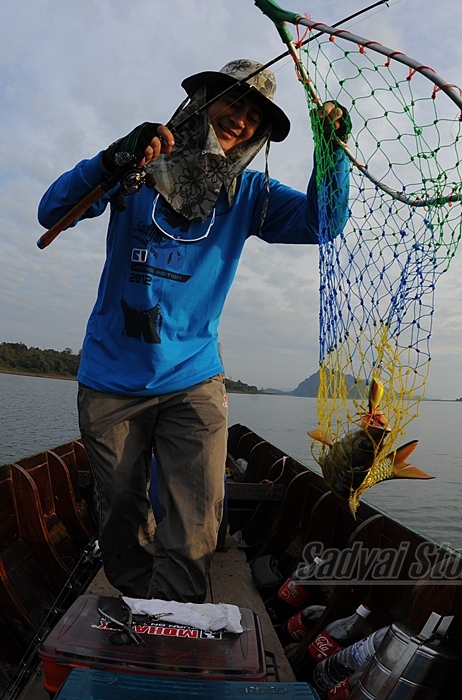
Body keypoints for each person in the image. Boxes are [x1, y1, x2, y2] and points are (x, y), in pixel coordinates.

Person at [38, 59, 350, 603]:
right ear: (202, 99)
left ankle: (177, 615)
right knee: (119, 510)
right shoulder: (140, 165)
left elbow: (324, 223)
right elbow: (52, 211)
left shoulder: (250, 194)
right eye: (234, 101)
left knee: (197, 512)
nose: (243, 119)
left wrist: (331, 151)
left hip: (193, 379)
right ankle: (139, 599)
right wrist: (112, 160)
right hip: (111, 380)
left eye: (257, 116)